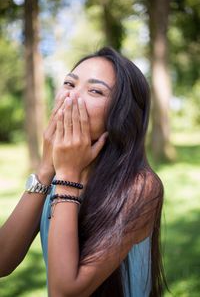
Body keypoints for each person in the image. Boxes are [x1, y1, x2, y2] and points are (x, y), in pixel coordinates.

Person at [0, 47, 166, 296]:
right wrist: (46, 169)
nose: (72, 98)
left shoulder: (140, 186)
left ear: (121, 114)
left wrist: (67, 177)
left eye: (95, 91)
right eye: (69, 83)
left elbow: (64, 292)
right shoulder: (55, 174)